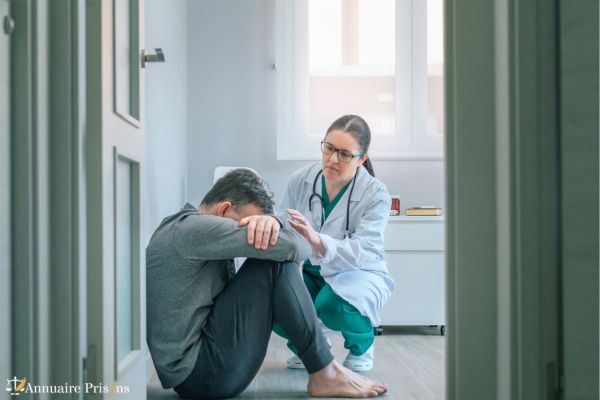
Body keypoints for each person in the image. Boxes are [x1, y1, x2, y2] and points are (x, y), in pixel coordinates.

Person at [146, 168, 388, 399]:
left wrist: (274, 222)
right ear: (224, 210)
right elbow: (296, 246)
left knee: (274, 258)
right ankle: (324, 369)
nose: (256, 231)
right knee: (273, 264)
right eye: (251, 224)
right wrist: (277, 224)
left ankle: (324, 365)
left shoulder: (182, 227)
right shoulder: (194, 229)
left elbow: (301, 246)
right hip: (202, 376)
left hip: (201, 372)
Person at [274, 115, 395, 372]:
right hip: (306, 267)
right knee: (272, 299)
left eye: (344, 154)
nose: (332, 159)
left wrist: (318, 240)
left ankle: (362, 346)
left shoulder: (375, 194)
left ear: (362, 158)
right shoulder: (302, 179)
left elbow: (366, 249)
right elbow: (283, 224)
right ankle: (311, 346)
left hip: (356, 272)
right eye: (329, 148)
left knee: (332, 305)